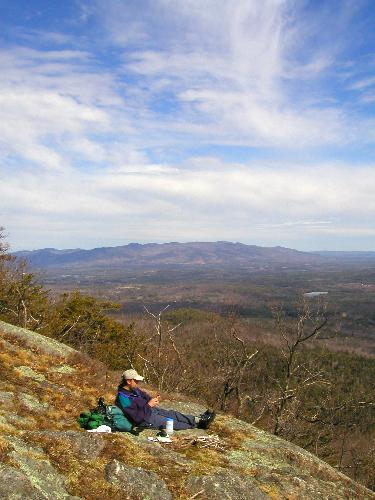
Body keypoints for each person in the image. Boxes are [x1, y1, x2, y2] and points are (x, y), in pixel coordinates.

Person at [116, 369, 215, 431]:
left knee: (173, 414)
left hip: (150, 411)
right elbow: (137, 417)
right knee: (171, 422)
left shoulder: (134, 389)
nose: (138, 382)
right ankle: (199, 425)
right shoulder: (123, 398)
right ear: (129, 381)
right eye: (136, 381)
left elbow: (145, 396)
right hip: (145, 419)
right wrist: (148, 405)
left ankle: (199, 419)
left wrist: (153, 399)